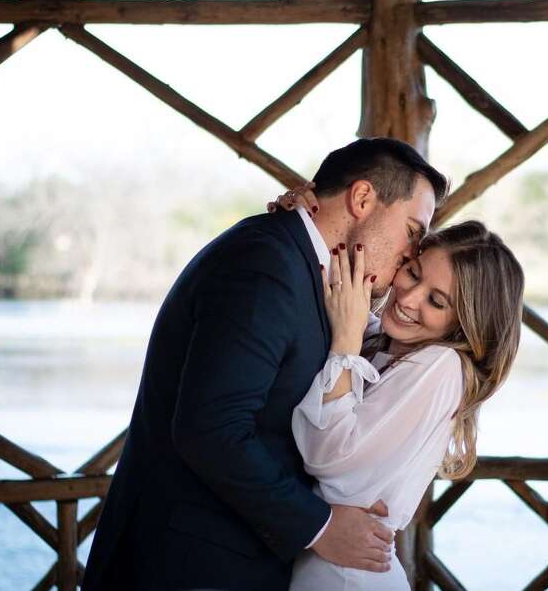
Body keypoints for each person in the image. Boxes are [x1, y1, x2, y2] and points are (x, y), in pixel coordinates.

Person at [82, 138, 449, 591]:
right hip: (187, 565)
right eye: (413, 231)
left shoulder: (315, 275)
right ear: (362, 199)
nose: (411, 253)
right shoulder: (265, 264)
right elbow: (211, 429)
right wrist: (322, 527)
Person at [269, 184, 524, 590]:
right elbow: (335, 285)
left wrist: (346, 346)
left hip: (347, 576)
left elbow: (329, 458)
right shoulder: (383, 343)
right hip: (323, 564)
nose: (408, 298)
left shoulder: (440, 367)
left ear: (463, 324)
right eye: (414, 272)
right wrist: (304, 218)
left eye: (436, 302)